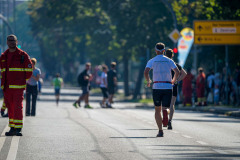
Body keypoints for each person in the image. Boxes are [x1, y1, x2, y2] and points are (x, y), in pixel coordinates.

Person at [144, 42, 179, 137]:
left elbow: (146, 72)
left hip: (157, 86)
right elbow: (177, 71)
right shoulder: (169, 60)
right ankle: (166, 112)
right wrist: (173, 80)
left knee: (157, 110)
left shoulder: (152, 60)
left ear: (155, 51)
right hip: (168, 87)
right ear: (164, 51)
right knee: (166, 107)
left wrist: (148, 81)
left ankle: (160, 131)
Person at [0, 34, 33, 136]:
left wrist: (22, 80)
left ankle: (18, 128)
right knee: (10, 107)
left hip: (18, 87)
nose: (11, 42)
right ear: (7, 42)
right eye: (10, 40)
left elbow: (29, 70)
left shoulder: (23, 55)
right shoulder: (3, 56)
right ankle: (12, 127)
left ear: (16, 42)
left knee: (18, 107)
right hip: (7, 88)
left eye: (13, 40)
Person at [164, 49, 187, 130]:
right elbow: (184, 73)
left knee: (164, 104)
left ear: (165, 55)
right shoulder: (176, 65)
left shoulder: (164, 65)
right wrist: (177, 80)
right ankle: (170, 120)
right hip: (174, 85)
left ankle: (165, 117)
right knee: (172, 104)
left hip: (165, 85)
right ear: (172, 55)